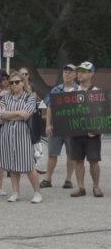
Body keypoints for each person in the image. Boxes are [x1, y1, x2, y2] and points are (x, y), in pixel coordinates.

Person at [0, 71, 43, 203]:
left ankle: (37, 193)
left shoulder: (30, 97)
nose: (14, 84)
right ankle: (15, 192)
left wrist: (10, 114)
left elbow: (27, 115)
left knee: (28, 164)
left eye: (17, 82)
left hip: (23, 133)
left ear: (23, 82)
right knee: (12, 165)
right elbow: (2, 114)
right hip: (7, 134)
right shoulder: (5, 98)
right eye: (11, 83)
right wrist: (17, 113)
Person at [68, 61, 103, 198]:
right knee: (78, 160)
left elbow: (102, 114)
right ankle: (80, 187)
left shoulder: (97, 92)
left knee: (94, 160)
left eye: (83, 71)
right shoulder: (72, 92)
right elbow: (67, 113)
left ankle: (96, 186)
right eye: (79, 71)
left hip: (92, 133)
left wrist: (95, 129)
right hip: (76, 132)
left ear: (91, 73)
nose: (80, 74)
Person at [41, 64, 78, 189]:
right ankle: (48, 179)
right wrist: (48, 125)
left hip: (72, 127)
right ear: (62, 74)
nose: (67, 74)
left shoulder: (79, 90)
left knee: (71, 154)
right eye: (65, 72)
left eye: (70, 72)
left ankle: (68, 179)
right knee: (52, 154)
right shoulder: (56, 90)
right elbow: (50, 108)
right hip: (56, 127)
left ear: (75, 75)